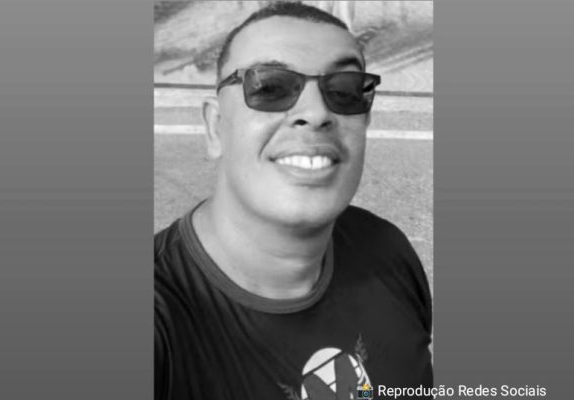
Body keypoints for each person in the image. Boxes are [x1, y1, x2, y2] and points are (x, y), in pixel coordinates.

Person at [155, 2, 432, 399]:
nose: (316, 112)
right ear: (215, 128)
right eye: (270, 87)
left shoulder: (387, 249)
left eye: (345, 90)